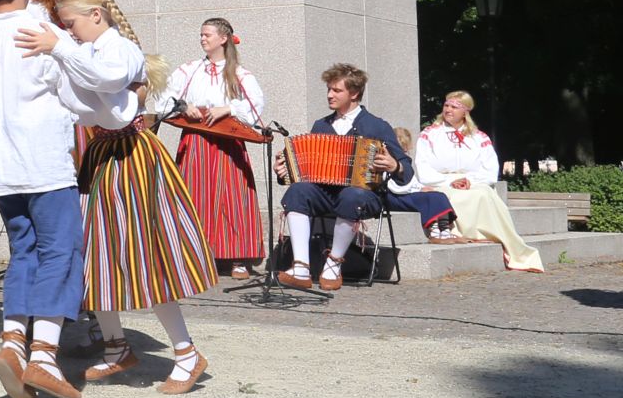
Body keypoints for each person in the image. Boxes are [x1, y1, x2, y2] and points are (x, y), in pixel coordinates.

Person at [25, 0, 214, 392]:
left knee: (148, 255)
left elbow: (108, 81)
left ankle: (186, 353)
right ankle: (116, 349)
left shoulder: (119, 50)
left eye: (72, 23)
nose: (69, 31)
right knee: (95, 257)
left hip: (132, 158)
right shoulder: (84, 51)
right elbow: (76, 100)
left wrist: (58, 47)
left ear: (96, 15)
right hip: (103, 157)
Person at [0, 0, 86, 398]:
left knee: (23, 253)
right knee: (62, 251)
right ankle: (46, 356)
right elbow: (76, 88)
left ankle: (14, 341)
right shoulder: (44, 31)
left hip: (3, 163)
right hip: (45, 160)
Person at [276, 64, 416, 291]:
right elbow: (305, 169)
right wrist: (284, 172)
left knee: (353, 195)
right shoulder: (321, 125)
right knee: (298, 191)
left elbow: (407, 170)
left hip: (365, 195)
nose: (330, 95)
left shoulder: (377, 126)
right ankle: (301, 267)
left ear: (354, 93)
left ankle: (333, 263)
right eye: (329, 90)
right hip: (326, 192)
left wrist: (395, 165)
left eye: (336, 91)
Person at [164, 18, 267, 277]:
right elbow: (164, 94)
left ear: (223, 38)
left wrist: (228, 108)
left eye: (207, 34)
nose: (202, 39)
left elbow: (256, 104)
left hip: (228, 141)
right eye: (201, 34)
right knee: (193, 194)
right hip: (196, 139)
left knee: (233, 196)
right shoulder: (189, 70)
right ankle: (194, 255)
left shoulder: (239, 73)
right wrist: (182, 105)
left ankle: (238, 258)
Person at [415, 91, 542, 272]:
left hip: (472, 183)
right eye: (446, 105)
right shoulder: (429, 134)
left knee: (484, 194)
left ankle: (496, 236)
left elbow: (490, 169)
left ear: (465, 111)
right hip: (441, 182)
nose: (448, 109)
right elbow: (423, 166)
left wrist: (469, 181)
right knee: (450, 196)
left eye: (454, 107)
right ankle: (464, 232)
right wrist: (449, 181)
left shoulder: (479, 137)